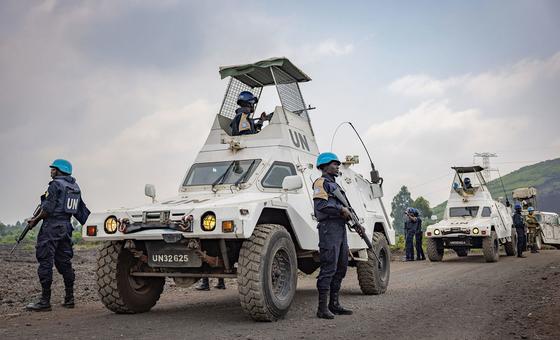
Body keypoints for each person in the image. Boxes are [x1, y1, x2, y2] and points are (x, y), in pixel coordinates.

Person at [25, 159, 90, 311]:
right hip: (66, 228)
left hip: (51, 227)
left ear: (60, 170)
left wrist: (34, 221)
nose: (51, 171)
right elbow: (82, 212)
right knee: (64, 262)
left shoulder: (55, 185)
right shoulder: (75, 187)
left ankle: (44, 301)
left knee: (45, 262)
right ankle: (69, 299)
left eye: (53, 169)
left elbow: (47, 209)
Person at [313, 152, 353, 319]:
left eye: (337, 164)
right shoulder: (321, 182)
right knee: (329, 267)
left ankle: (334, 304)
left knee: (341, 266)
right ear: (324, 166)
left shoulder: (336, 186)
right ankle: (322, 308)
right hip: (329, 228)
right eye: (334, 164)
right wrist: (340, 210)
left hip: (340, 228)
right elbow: (321, 205)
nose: (337, 166)